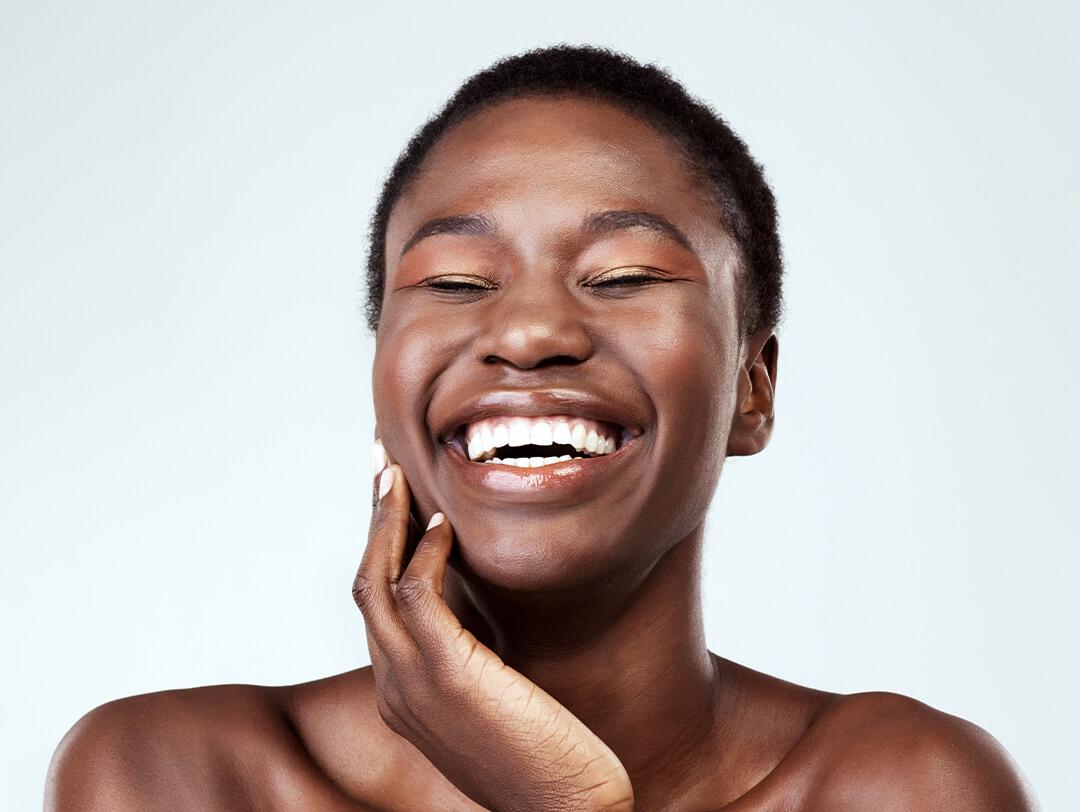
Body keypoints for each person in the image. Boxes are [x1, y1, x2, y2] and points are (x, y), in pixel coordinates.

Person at [45, 45, 1036, 810]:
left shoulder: (901, 785)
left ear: (752, 384)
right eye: (455, 283)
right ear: (383, 372)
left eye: (624, 276)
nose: (526, 331)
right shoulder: (181, 776)